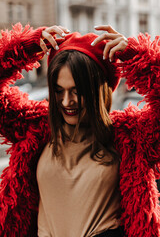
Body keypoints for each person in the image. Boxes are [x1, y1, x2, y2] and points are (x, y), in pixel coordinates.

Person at [0, 22, 159, 237]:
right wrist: (24, 47)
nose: (67, 101)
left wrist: (135, 56)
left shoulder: (130, 136)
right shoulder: (35, 129)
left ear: (99, 91)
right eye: (58, 91)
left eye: (77, 91)